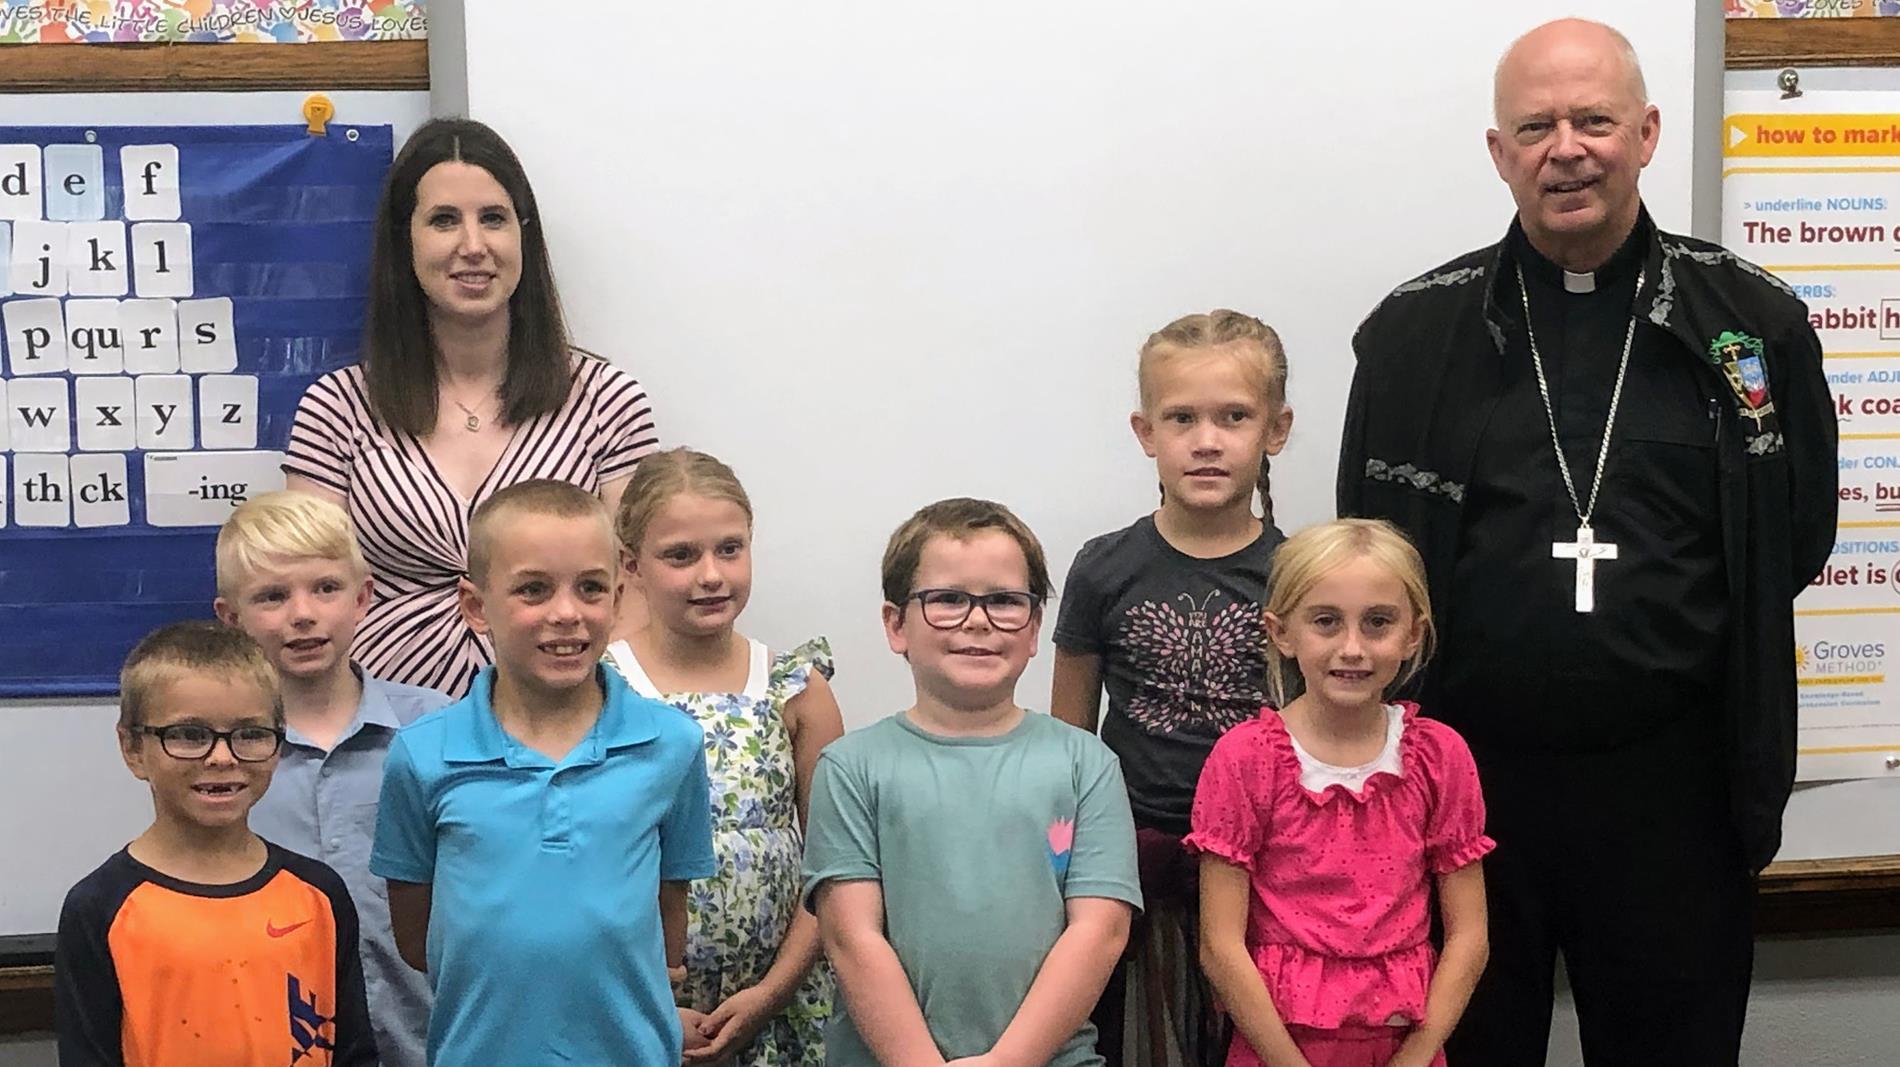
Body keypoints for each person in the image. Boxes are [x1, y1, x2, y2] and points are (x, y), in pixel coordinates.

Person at [1338, 19, 1836, 1063]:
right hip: (1465, 791)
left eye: (1593, 120)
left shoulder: (1752, 322)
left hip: (1676, 797)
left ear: (1646, 133)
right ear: (1498, 151)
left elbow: (1793, 535)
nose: (1565, 147)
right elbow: (1368, 556)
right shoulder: (1410, 336)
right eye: (1535, 126)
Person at [284, 117, 661, 698]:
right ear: (403, 239)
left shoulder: (606, 399)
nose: (473, 246)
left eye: (493, 218)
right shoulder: (336, 407)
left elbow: (636, 585)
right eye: (443, 221)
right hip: (384, 732)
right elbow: (305, 587)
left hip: (562, 724)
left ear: (523, 235)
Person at [370, 479, 716, 1066]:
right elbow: (419, 939)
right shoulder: (423, 754)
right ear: (476, 607)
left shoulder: (671, 744)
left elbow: (668, 918)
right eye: (533, 589)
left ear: (619, 595)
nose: (566, 613)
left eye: (590, 588)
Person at [805, 498, 1143, 1066]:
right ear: (896, 625)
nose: (978, 621)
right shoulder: (850, 767)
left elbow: (1100, 930)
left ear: (1035, 628)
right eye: (948, 599)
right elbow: (852, 939)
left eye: (1006, 602)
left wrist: (1006, 1062)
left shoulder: (1087, 765)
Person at [1052, 309, 1293, 1065]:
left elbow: (1312, 732)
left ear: (1276, 430)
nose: (1208, 439)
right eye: (1182, 417)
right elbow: (1067, 743)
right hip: (1134, 864)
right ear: (1145, 430)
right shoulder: (1103, 567)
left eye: (1234, 416)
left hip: (1267, 865)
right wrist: (1061, 870)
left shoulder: (1298, 573)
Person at [1188, 519, 1491, 1067]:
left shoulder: (1440, 756)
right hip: (1275, 1046)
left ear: (1413, 634)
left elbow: (1470, 936)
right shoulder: (1245, 759)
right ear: (1282, 632)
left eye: (1378, 623)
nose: (1352, 648)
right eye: (1326, 622)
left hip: (1406, 1046)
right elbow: (1220, 945)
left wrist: (1416, 1056)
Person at [605, 448, 842, 1065]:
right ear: (631, 564)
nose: (710, 574)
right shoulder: (602, 690)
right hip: (635, 1003)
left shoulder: (797, 687)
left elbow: (834, 866)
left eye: (729, 549)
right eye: (681, 555)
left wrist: (771, 992)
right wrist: (652, 998)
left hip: (781, 1003)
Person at [55, 622, 376, 1067]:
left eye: (249, 734)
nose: (221, 758)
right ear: (132, 748)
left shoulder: (319, 895)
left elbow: (354, 1052)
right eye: (188, 735)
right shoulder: (100, 907)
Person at [214, 491, 451, 1067]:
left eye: (325, 588)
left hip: (431, 1042)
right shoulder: (218, 759)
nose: (303, 614)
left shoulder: (440, 730)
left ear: (363, 597)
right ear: (230, 617)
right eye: (272, 596)